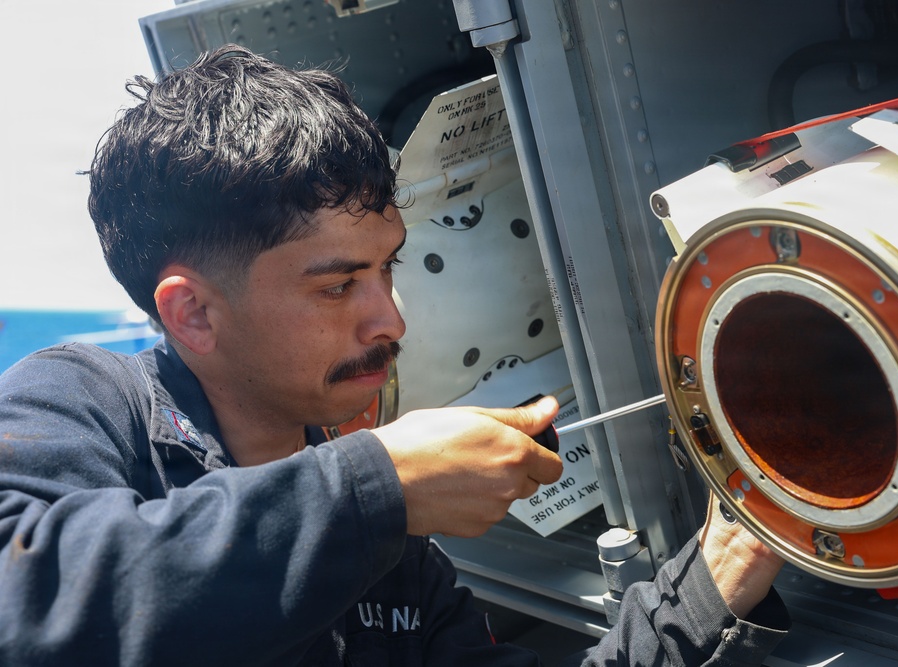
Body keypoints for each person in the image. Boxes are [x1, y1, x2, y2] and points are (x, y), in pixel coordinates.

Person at [0, 45, 788, 665]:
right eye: (339, 286)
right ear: (194, 312)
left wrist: (714, 579)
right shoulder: (82, 400)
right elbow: (29, 610)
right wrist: (379, 486)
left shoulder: (394, 559)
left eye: (388, 269)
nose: (390, 320)